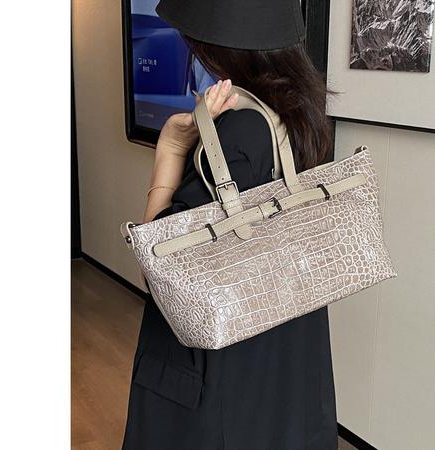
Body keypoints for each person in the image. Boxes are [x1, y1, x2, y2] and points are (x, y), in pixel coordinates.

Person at [122, 1, 337, 448]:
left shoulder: (235, 136)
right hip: (281, 366)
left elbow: (159, 272)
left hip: (222, 379)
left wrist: (170, 151)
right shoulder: (300, 116)